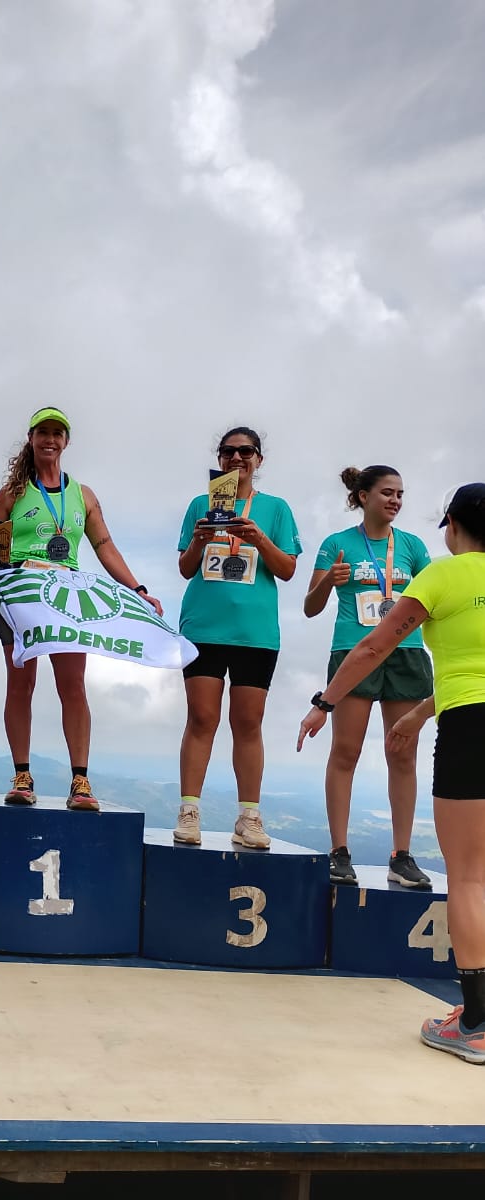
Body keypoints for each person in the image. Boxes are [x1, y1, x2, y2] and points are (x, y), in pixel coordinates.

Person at [298, 483, 485, 1066]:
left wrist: (325, 702)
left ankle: (476, 1024)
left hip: (471, 731)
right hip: (457, 707)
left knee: (471, 877)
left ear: (451, 525)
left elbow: (376, 645)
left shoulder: (443, 577)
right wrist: (419, 711)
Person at [0, 407, 162, 813]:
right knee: (21, 684)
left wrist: (137, 588)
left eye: (57, 433)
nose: (50, 440)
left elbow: (104, 547)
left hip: (67, 596)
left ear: (66, 442)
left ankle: (81, 780)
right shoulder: (13, 493)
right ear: (31, 439)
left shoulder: (83, 495)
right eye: (43, 433)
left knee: (72, 686)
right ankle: (22, 774)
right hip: (20, 591)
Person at [304, 466, 433, 888]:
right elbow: (309, 606)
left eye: (400, 494)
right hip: (353, 652)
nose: (395, 500)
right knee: (346, 751)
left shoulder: (412, 546)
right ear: (362, 497)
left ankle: (402, 855)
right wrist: (329, 583)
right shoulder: (337, 544)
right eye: (387, 493)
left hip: (406, 653)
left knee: (403, 754)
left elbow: (429, 600)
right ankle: (339, 852)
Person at [173, 426, 301, 848]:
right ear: (220, 459)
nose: (236, 458)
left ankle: (249, 817)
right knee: (202, 718)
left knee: (248, 722)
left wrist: (258, 537)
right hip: (204, 626)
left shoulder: (276, 508)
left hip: (255, 633)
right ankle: (189, 810)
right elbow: (186, 567)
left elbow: (286, 569)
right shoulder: (200, 504)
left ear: (259, 460)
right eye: (228, 452)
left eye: (246, 451)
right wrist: (198, 538)